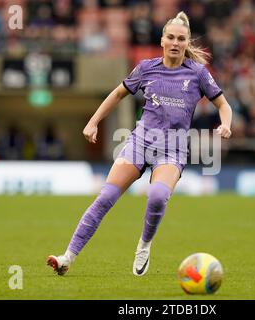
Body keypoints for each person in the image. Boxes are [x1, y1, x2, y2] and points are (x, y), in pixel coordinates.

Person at [47, 11, 233, 277]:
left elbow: (223, 104)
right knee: (106, 197)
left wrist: (225, 123)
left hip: (172, 147)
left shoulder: (198, 74)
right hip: (141, 141)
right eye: (170, 37)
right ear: (162, 40)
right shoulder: (146, 68)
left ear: (186, 42)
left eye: (181, 38)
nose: (175, 42)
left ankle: (144, 245)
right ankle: (67, 257)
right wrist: (93, 121)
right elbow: (118, 93)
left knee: (157, 196)